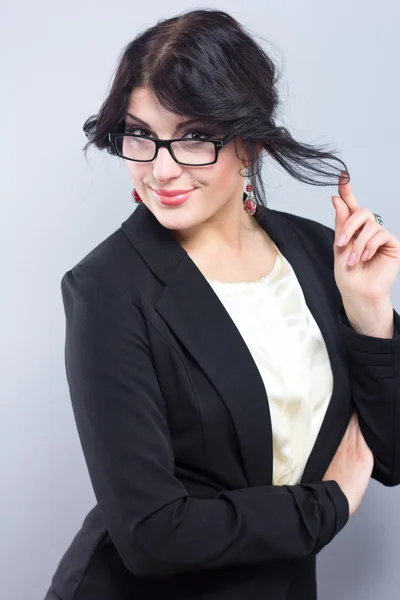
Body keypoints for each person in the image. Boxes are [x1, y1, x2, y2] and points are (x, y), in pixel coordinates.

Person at [43, 8, 400, 600]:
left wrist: (369, 315)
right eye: (140, 135)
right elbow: (153, 533)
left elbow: (390, 455)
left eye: (194, 136)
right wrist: (326, 505)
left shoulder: (317, 255)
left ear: (250, 142)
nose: (161, 169)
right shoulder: (106, 289)